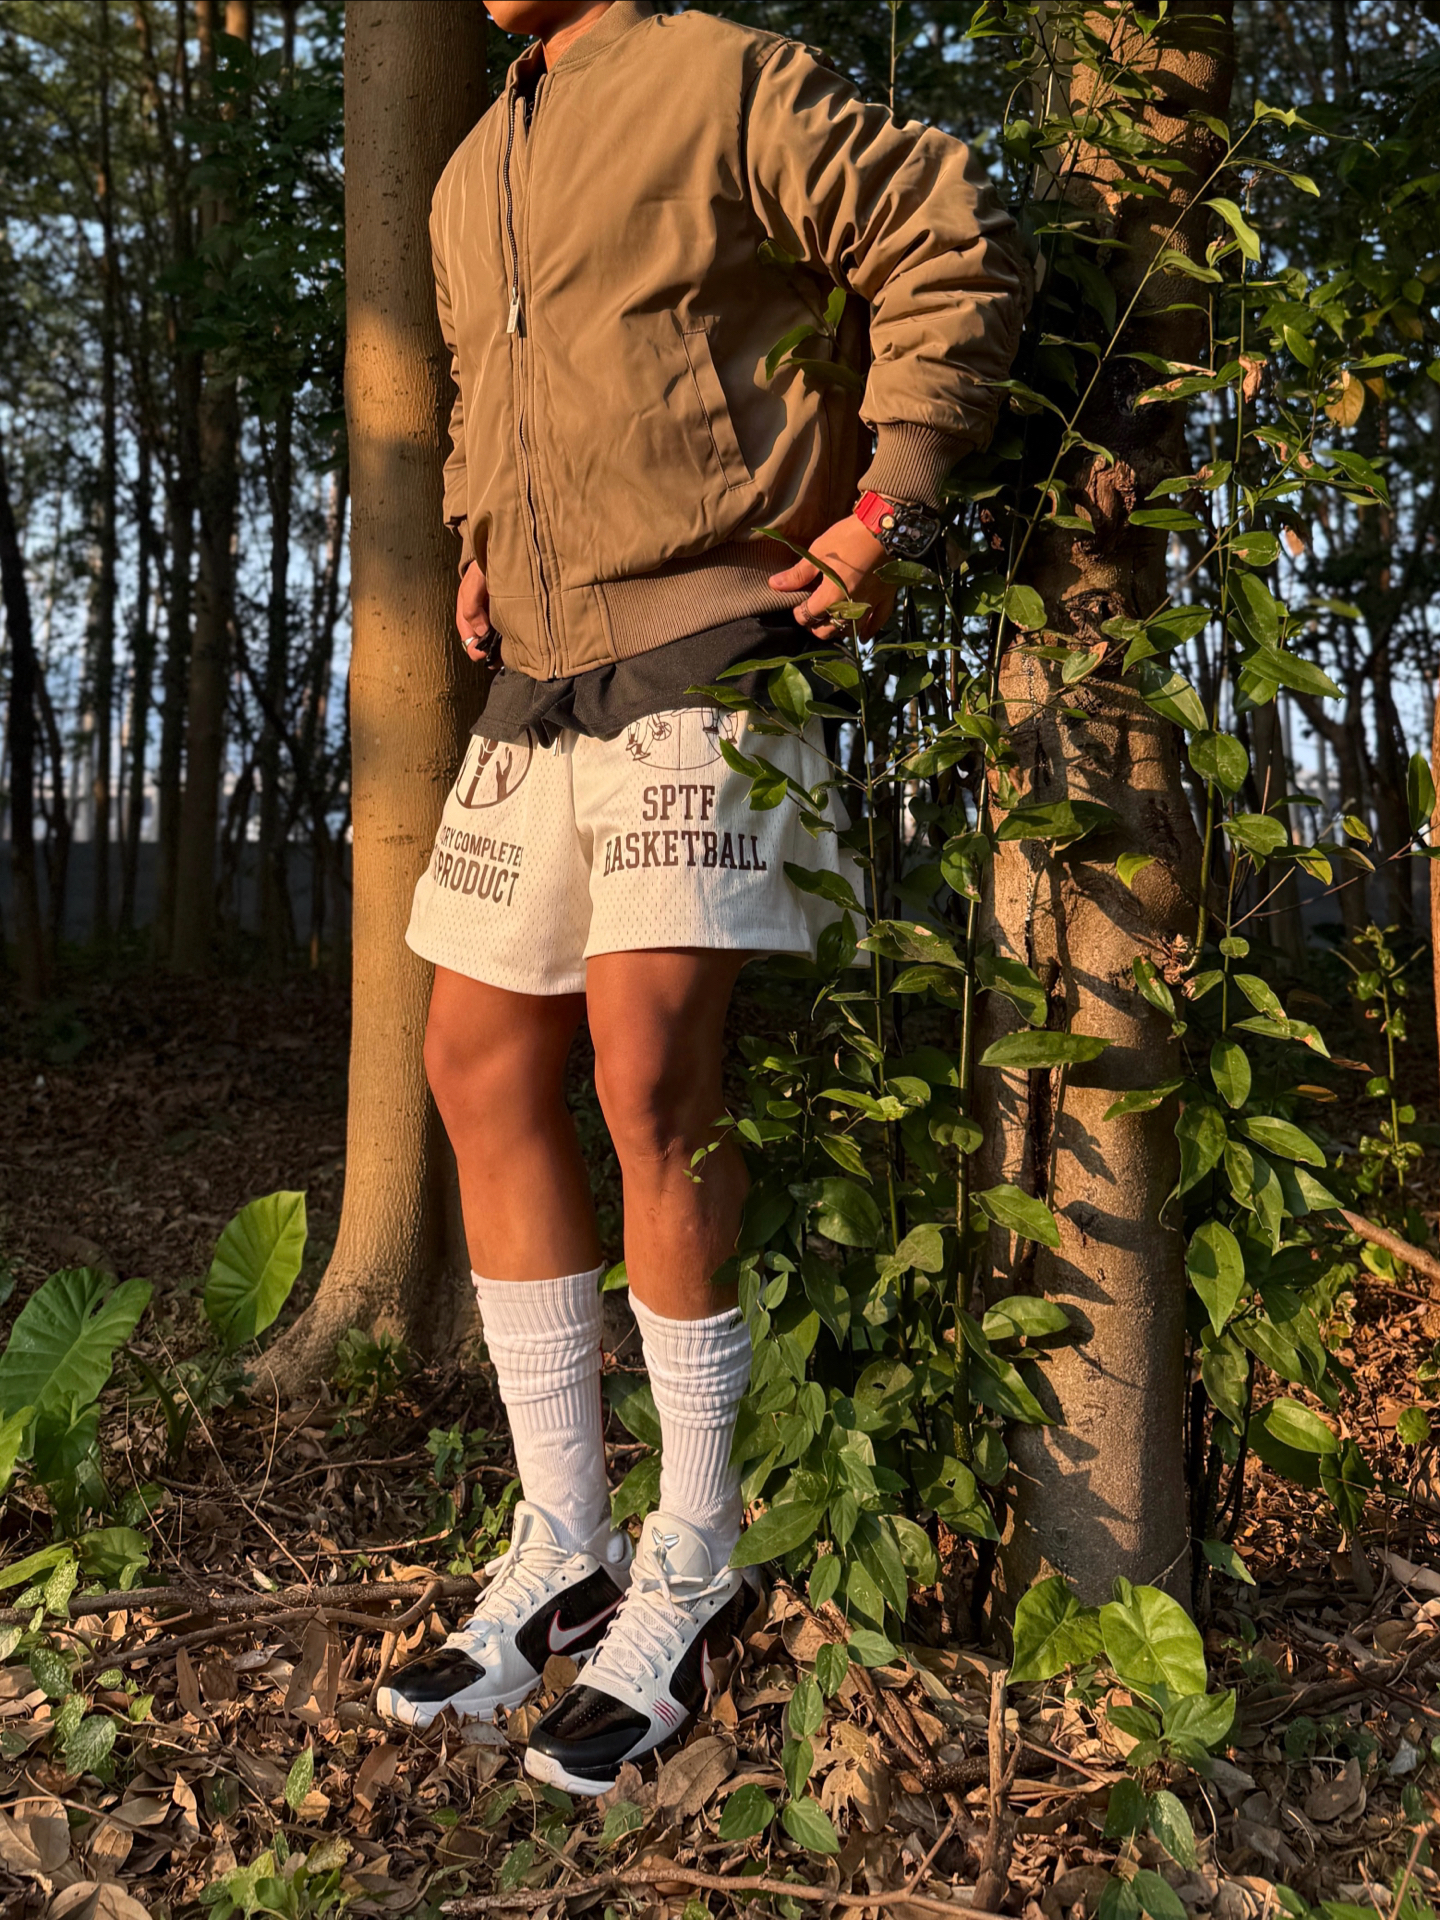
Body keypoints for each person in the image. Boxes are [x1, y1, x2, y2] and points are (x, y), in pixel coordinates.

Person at [379, 0, 1028, 1794]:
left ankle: (698, 1546)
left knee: (649, 1077)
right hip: (543, 671)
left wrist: (891, 501)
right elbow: (485, 376)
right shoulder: (467, 166)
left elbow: (944, 226)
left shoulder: (724, 76)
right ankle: (565, 1537)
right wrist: (478, 534)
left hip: (719, 633)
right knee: (471, 1061)